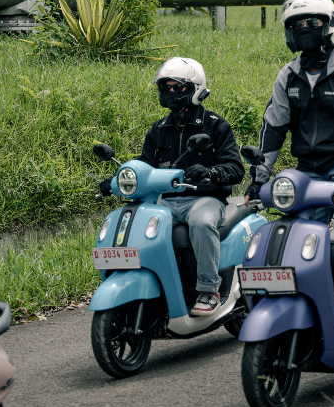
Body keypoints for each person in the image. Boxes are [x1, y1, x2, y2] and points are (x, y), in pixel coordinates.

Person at [248, 0, 334, 348]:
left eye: (313, 22)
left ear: (330, 27)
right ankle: (307, 302)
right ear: (289, 33)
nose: (305, 29)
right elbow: (272, 129)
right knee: (301, 236)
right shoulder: (287, 77)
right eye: (297, 25)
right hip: (305, 171)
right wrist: (258, 177)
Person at [101, 57, 245, 317]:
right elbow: (145, 166)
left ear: (195, 89)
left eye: (177, 87)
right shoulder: (158, 130)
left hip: (204, 200)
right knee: (134, 223)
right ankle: (155, 286)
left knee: (201, 223)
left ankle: (208, 290)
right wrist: (118, 180)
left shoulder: (216, 125)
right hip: (165, 202)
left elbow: (235, 169)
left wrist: (211, 172)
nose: (171, 93)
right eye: (165, 88)